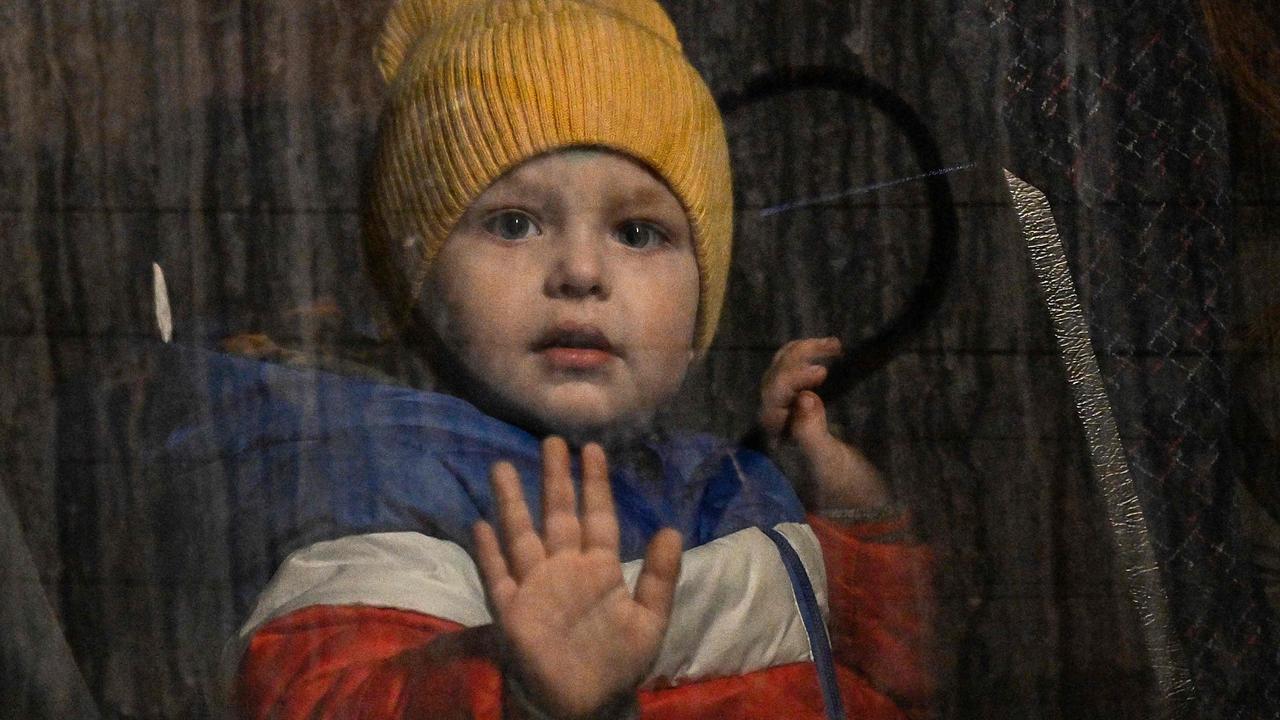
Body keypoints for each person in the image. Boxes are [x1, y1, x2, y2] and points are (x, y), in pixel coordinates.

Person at [205, 0, 934, 717]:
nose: (581, 270)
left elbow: (887, 680)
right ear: (417, 283)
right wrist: (517, 692)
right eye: (514, 223)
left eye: (639, 232)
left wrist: (850, 507)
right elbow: (315, 695)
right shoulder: (395, 485)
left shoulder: (717, 477)